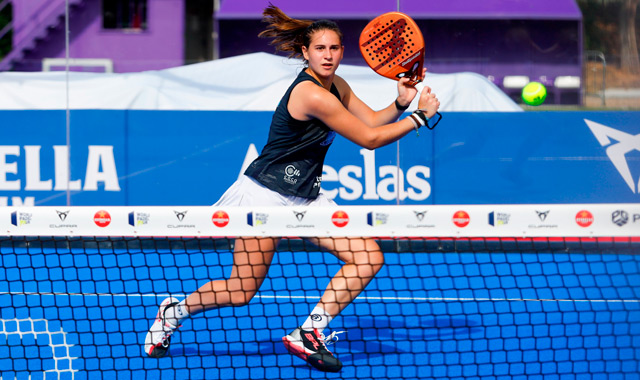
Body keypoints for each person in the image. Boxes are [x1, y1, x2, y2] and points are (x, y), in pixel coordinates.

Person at [144, 5, 440, 373]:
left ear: (341, 51)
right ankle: (174, 310)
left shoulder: (337, 85)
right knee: (241, 290)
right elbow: (370, 139)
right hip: (264, 195)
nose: (328, 55)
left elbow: (375, 120)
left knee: (368, 257)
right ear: (305, 52)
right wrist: (420, 117)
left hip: (307, 196)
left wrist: (400, 102)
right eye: (320, 49)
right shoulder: (311, 94)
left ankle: (308, 333)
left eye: (334, 48)